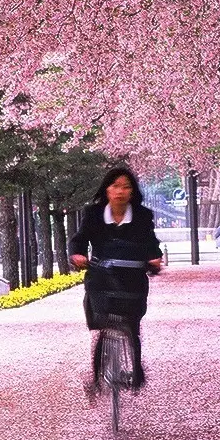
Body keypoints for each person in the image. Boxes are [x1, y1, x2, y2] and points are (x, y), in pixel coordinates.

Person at [69, 164, 164, 394]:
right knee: (104, 322)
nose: (120, 191)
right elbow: (80, 239)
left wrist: (154, 258)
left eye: (126, 187)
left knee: (132, 324)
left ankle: (137, 371)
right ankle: (96, 378)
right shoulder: (93, 214)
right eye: (115, 186)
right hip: (102, 274)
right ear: (107, 190)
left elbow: (150, 242)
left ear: (132, 191)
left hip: (132, 274)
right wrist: (78, 255)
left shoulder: (142, 216)